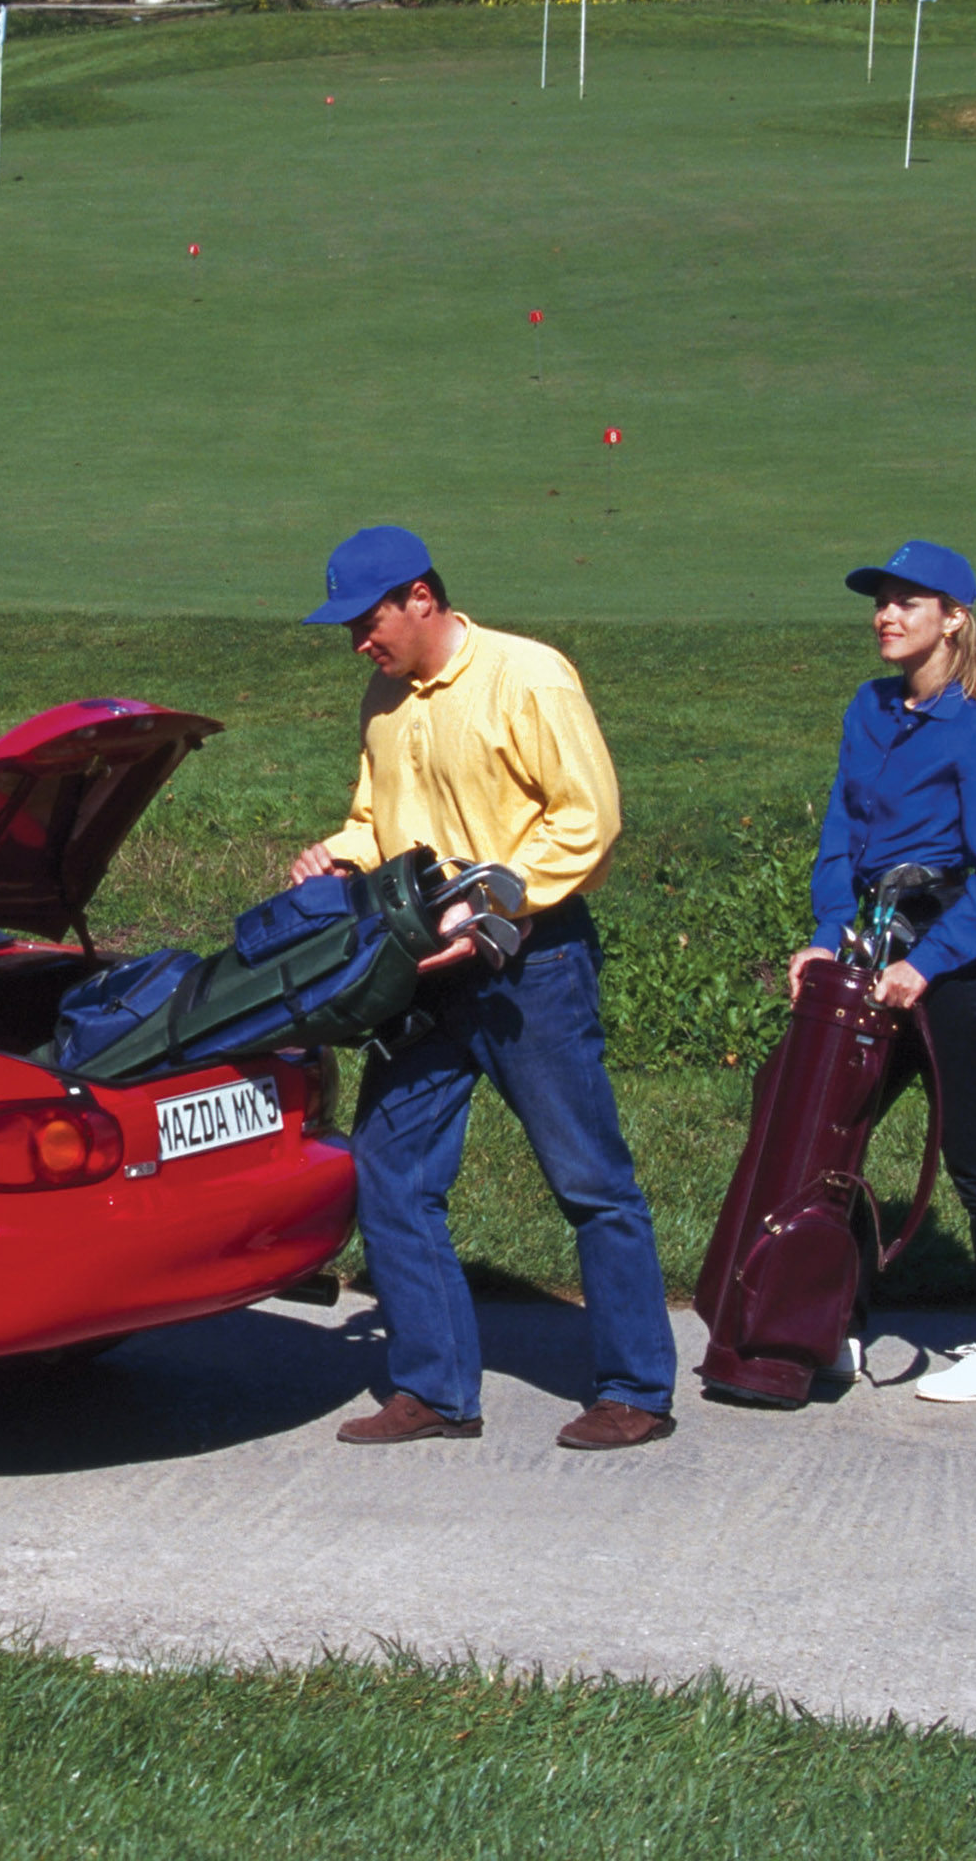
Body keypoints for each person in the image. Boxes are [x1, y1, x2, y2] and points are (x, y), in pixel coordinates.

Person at [289, 525, 677, 1451]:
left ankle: (636, 1389)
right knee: (392, 1167)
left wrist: (490, 901)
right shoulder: (384, 697)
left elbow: (589, 819)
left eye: (367, 619)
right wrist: (331, 857)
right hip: (422, 970)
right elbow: (374, 821)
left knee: (588, 1177)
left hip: (529, 967)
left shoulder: (529, 675)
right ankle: (435, 1389)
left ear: (421, 596)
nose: (358, 643)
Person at [787, 540, 976, 1404]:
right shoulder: (870, 706)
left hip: (957, 964)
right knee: (832, 1134)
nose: (885, 616)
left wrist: (927, 965)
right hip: (874, 952)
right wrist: (829, 936)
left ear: (954, 619)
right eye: (881, 601)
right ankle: (834, 1321)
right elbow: (839, 836)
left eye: (908, 602)